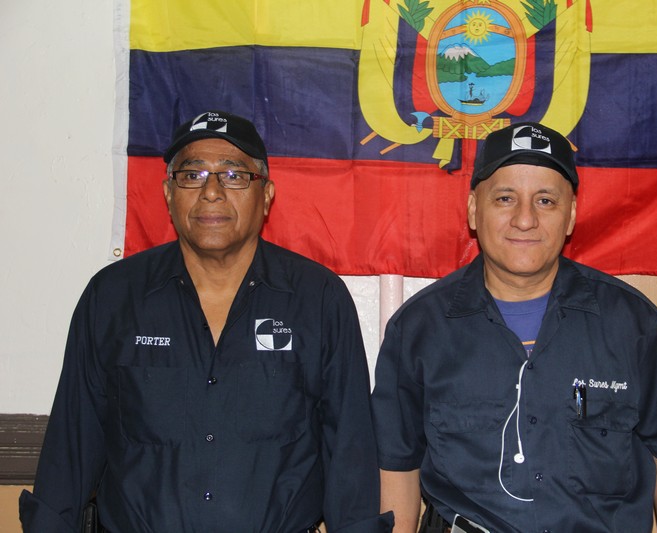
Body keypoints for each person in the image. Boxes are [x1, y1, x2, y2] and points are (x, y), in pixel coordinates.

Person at [20, 111, 392, 533]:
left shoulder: (318, 300)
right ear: (167, 193)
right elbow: (71, 448)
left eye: (233, 175)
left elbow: (351, 456)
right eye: (192, 175)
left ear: (266, 195)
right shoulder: (112, 298)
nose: (211, 192)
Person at [371, 122, 657, 532]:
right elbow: (396, 466)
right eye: (505, 198)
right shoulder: (419, 328)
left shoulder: (631, 321)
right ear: (474, 211)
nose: (525, 219)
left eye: (546, 200)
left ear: (570, 216)